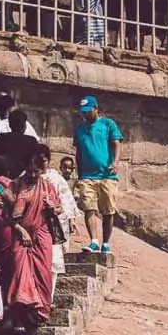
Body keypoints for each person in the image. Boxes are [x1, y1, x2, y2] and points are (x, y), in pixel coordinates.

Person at [0, 144, 60, 333]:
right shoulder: (14, 186)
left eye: (36, 172)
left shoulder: (48, 186)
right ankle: (20, 315)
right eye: (30, 171)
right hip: (20, 234)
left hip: (42, 234)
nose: (32, 175)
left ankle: (39, 312)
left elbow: (59, 207)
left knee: (43, 274)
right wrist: (21, 231)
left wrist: (52, 207)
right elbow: (7, 216)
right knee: (20, 273)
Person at [71, 96, 124, 255]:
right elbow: (79, 151)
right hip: (87, 175)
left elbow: (116, 143)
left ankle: (106, 242)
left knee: (108, 211)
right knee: (89, 208)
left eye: (88, 111)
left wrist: (116, 162)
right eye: (83, 112)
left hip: (107, 175)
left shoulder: (108, 124)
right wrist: (79, 174)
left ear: (96, 109)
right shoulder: (80, 129)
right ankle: (94, 240)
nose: (85, 115)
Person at [0, 106, 38, 180]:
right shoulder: (31, 141)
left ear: (10, 125)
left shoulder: (1, 138)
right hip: (23, 181)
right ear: (24, 125)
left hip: (1, 179)